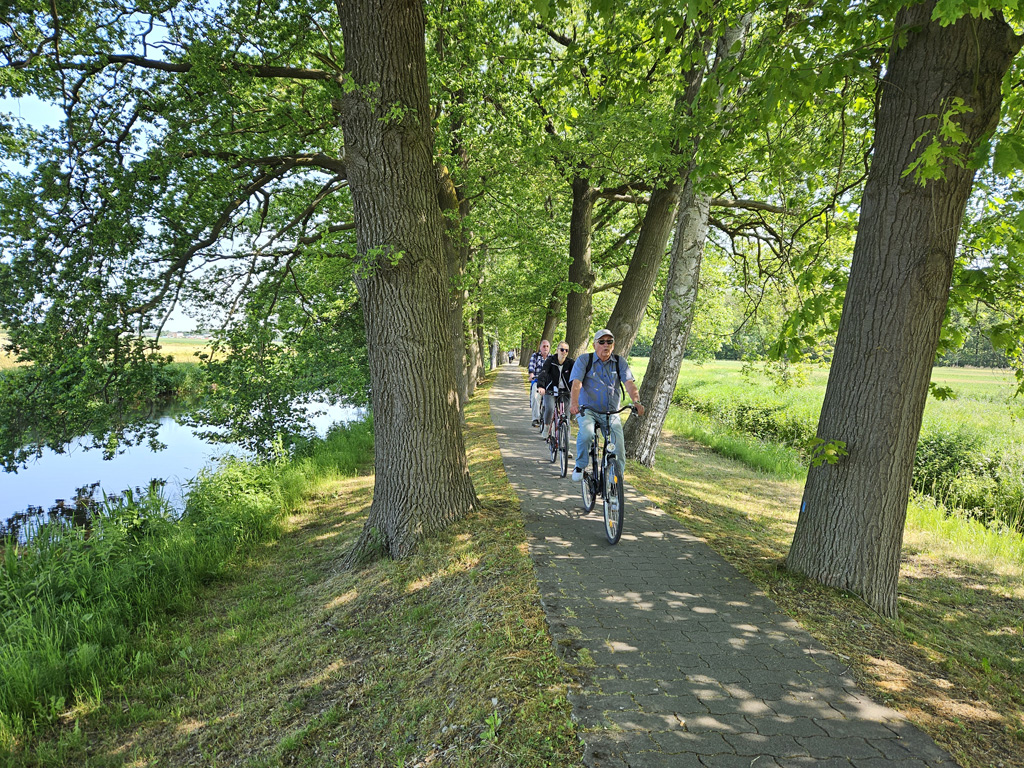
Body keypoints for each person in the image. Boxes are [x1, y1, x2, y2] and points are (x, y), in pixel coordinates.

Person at [569, 329, 644, 482]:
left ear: (613, 345)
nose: (605, 345)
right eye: (601, 342)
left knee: (619, 446)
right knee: (587, 433)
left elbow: (629, 383)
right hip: (588, 410)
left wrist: (636, 401)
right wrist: (574, 403)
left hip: (611, 411)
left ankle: (616, 480)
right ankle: (580, 464)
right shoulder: (584, 360)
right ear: (594, 344)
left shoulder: (620, 362)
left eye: (609, 342)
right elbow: (577, 383)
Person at [536, 341, 574, 439]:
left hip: (565, 391)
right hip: (550, 390)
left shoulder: (570, 363)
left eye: (566, 350)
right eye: (562, 349)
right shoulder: (550, 361)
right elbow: (543, 372)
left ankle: (566, 446)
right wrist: (541, 386)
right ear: (557, 350)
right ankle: (546, 427)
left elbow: (576, 376)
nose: (564, 352)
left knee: (566, 416)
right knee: (550, 408)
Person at [528, 339, 550, 426]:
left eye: (547, 346)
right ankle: (535, 418)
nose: (545, 348)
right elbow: (531, 367)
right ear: (540, 347)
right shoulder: (535, 356)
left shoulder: (552, 358)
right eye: (544, 346)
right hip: (537, 380)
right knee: (535, 396)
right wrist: (531, 375)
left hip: (548, 382)